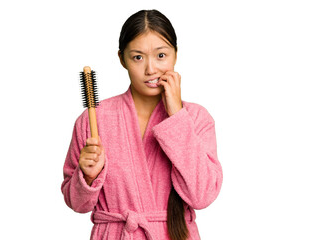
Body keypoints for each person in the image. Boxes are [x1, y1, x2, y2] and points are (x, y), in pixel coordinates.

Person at [61, 9, 223, 240]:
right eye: (138, 57)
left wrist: (177, 116)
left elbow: (202, 196)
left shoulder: (196, 118)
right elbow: (77, 203)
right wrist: (86, 177)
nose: (151, 69)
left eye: (161, 55)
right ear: (122, 59)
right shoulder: (93, 119)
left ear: (175, 55)